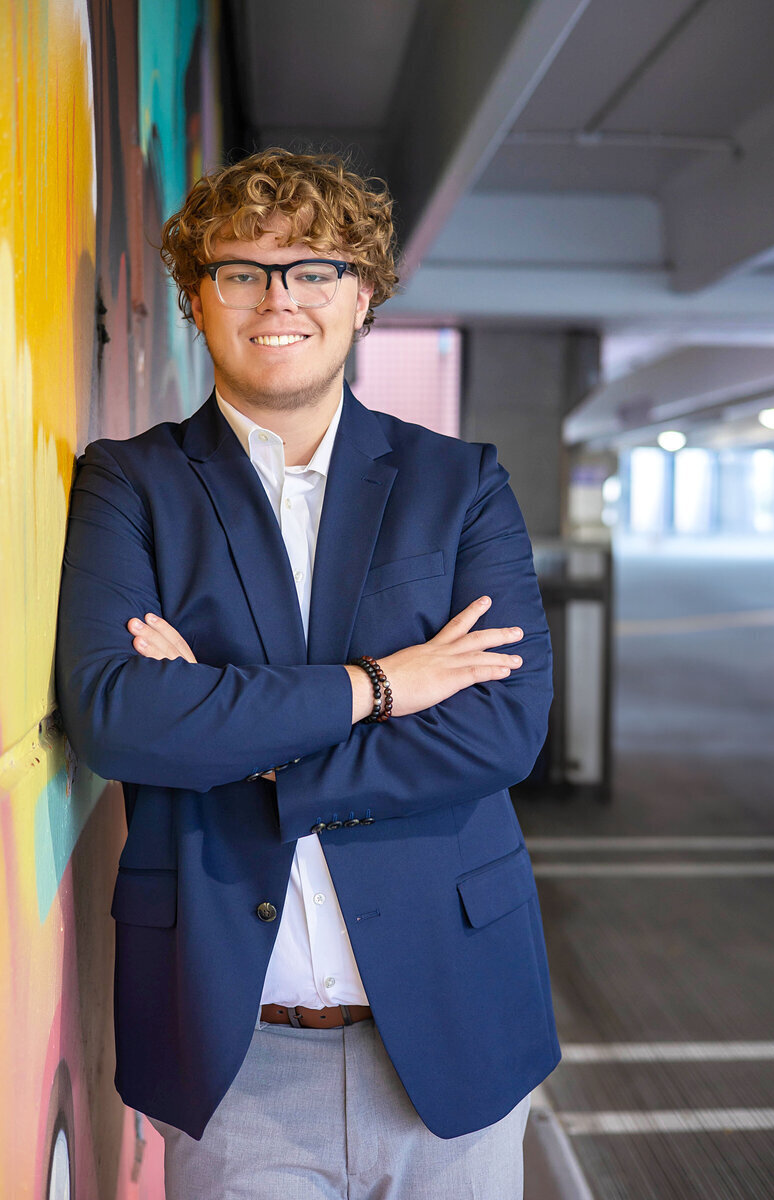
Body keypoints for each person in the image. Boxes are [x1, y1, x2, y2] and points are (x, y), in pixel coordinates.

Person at [56, 148, 560, 1199]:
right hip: (233, 1055)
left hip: (453, 1028)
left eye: (312, 270)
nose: (276, 299)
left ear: (361, 293)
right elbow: (118, 718)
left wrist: (248, 752)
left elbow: (498, 728)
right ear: (197, 297)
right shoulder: (131, 484)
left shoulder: (457, 484)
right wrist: (381, 686)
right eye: (240, 271)